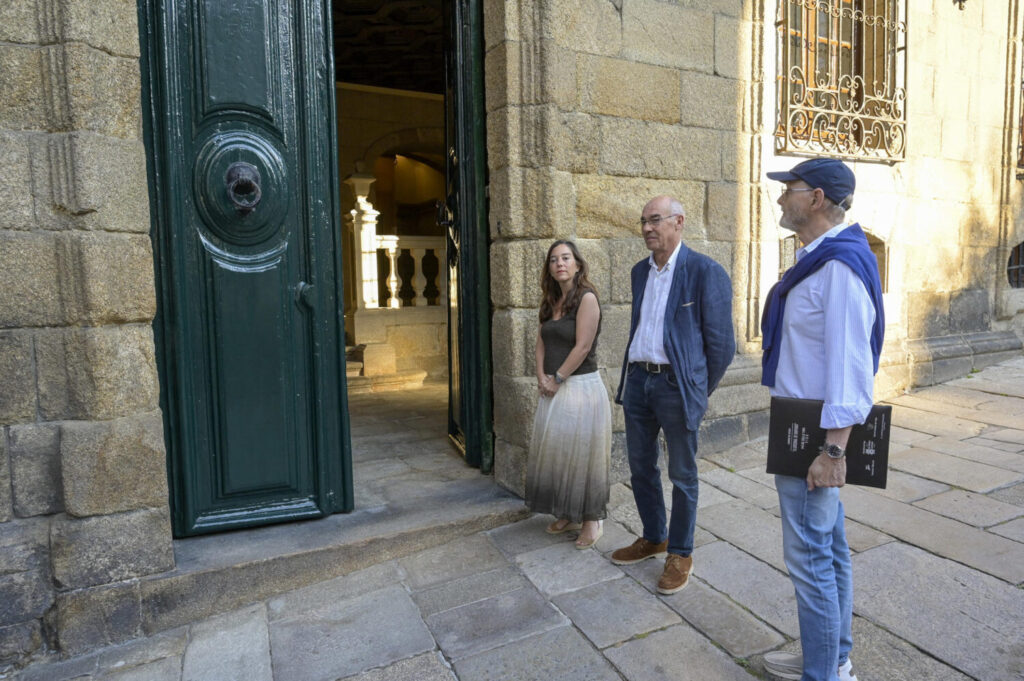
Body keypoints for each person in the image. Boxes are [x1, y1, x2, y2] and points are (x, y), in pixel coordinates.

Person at [761, 158, 884, 681]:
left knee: (810, 558)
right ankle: (830, 658)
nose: (780, 197)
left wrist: (833, 452)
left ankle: (824, 674)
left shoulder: (839, 267)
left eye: (789, 188)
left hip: (813, 441)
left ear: (815, 198)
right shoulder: (820, 259)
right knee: (828, 551)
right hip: (802, 429)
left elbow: (852, 367)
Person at [609, 196, 735, 594]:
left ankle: (680, 552)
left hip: (674, 386)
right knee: (640, 466)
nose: (647, 228)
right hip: (638, 381)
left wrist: (695, 387)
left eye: (655, 220)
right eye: (643, 221)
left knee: (682, 473)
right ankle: (654, 536)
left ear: (678, 222)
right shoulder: (639, 272)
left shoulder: (704, 271)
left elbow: (722, 346)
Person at [525, 240, 611, 549]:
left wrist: (558, 378)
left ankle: (591, 521)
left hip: (581, 388)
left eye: (565, 258)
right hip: (553, 388)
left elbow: (583, 346)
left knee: (584, 459)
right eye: (553, 260)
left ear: (577, 264)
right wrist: (541, 376)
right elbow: (541, 342)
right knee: (560, 454)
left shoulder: (587, 298)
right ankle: (568, 513)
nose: (559, 263)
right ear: (549, 268)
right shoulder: (550, 301)